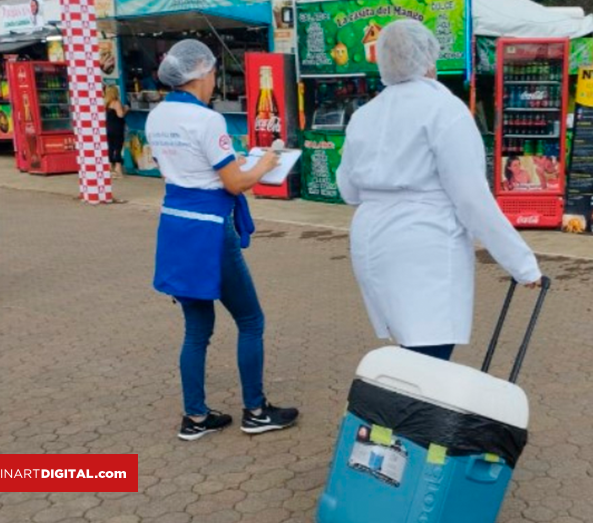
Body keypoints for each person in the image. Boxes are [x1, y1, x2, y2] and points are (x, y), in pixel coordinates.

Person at [337, 20, 542, 362]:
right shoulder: (445, 111)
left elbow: (348, 190)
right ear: (430, 60)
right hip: (425, 241)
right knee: (428, 354)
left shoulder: (364, 115)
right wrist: (523, 265)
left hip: (371, 238)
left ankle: (400, 411)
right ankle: (410, 415)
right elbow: (472, 200)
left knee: (409, 346)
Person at [146, 39, 298, 441]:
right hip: (211, 229)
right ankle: (256, 410)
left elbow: (176, 169)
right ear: (200, 72)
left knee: (197, 328)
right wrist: (264, 163)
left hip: (176, 226)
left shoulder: (156, 116)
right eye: (213, 72)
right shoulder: (208, 121)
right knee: (250, 320)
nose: (215, 80)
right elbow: (233, 183)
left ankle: (194, 418)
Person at [104, 86, 126, 179]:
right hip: (117, 128)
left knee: (111, 147)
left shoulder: (106, 103)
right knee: (118, 147)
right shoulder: (116, 102)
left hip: (108, 127)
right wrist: (126, 109)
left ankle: (109, 168)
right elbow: (120, 115)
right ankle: (118, 169)